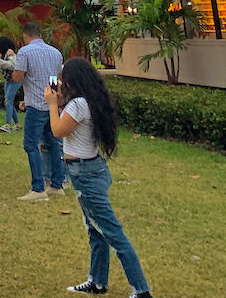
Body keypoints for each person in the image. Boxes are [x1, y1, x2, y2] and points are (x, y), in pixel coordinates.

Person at [47, 58, 152, 298]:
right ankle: (97, 281)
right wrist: (60, 101)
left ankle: (141, 291)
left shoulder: (78, 105)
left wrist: (52, 104)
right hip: (91, 169)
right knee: (94, 229)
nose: (61, 82)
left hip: (85, 174)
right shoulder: (88, 101)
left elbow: (57, 131)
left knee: (113, 232)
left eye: (64, 78)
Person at [12, 21, 67, 201]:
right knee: (53, 143)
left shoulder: (25, 52)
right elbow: (56, 77)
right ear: (40, 35)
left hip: (35, 104)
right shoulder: (55, 52)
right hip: (50, 104)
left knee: (30, 144)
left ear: (26, 36)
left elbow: (18, 76)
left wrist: (10, 71)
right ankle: (57, 184)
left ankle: (38, 188)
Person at [0, 35, 20, 133]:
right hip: (8, 79)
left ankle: (8, 125)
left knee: (8, 101)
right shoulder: (4, 55)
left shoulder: (11, 54)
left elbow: (9, 65)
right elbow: (1, 66)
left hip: (15, 79)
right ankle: (17, 124)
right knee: (8, 101)